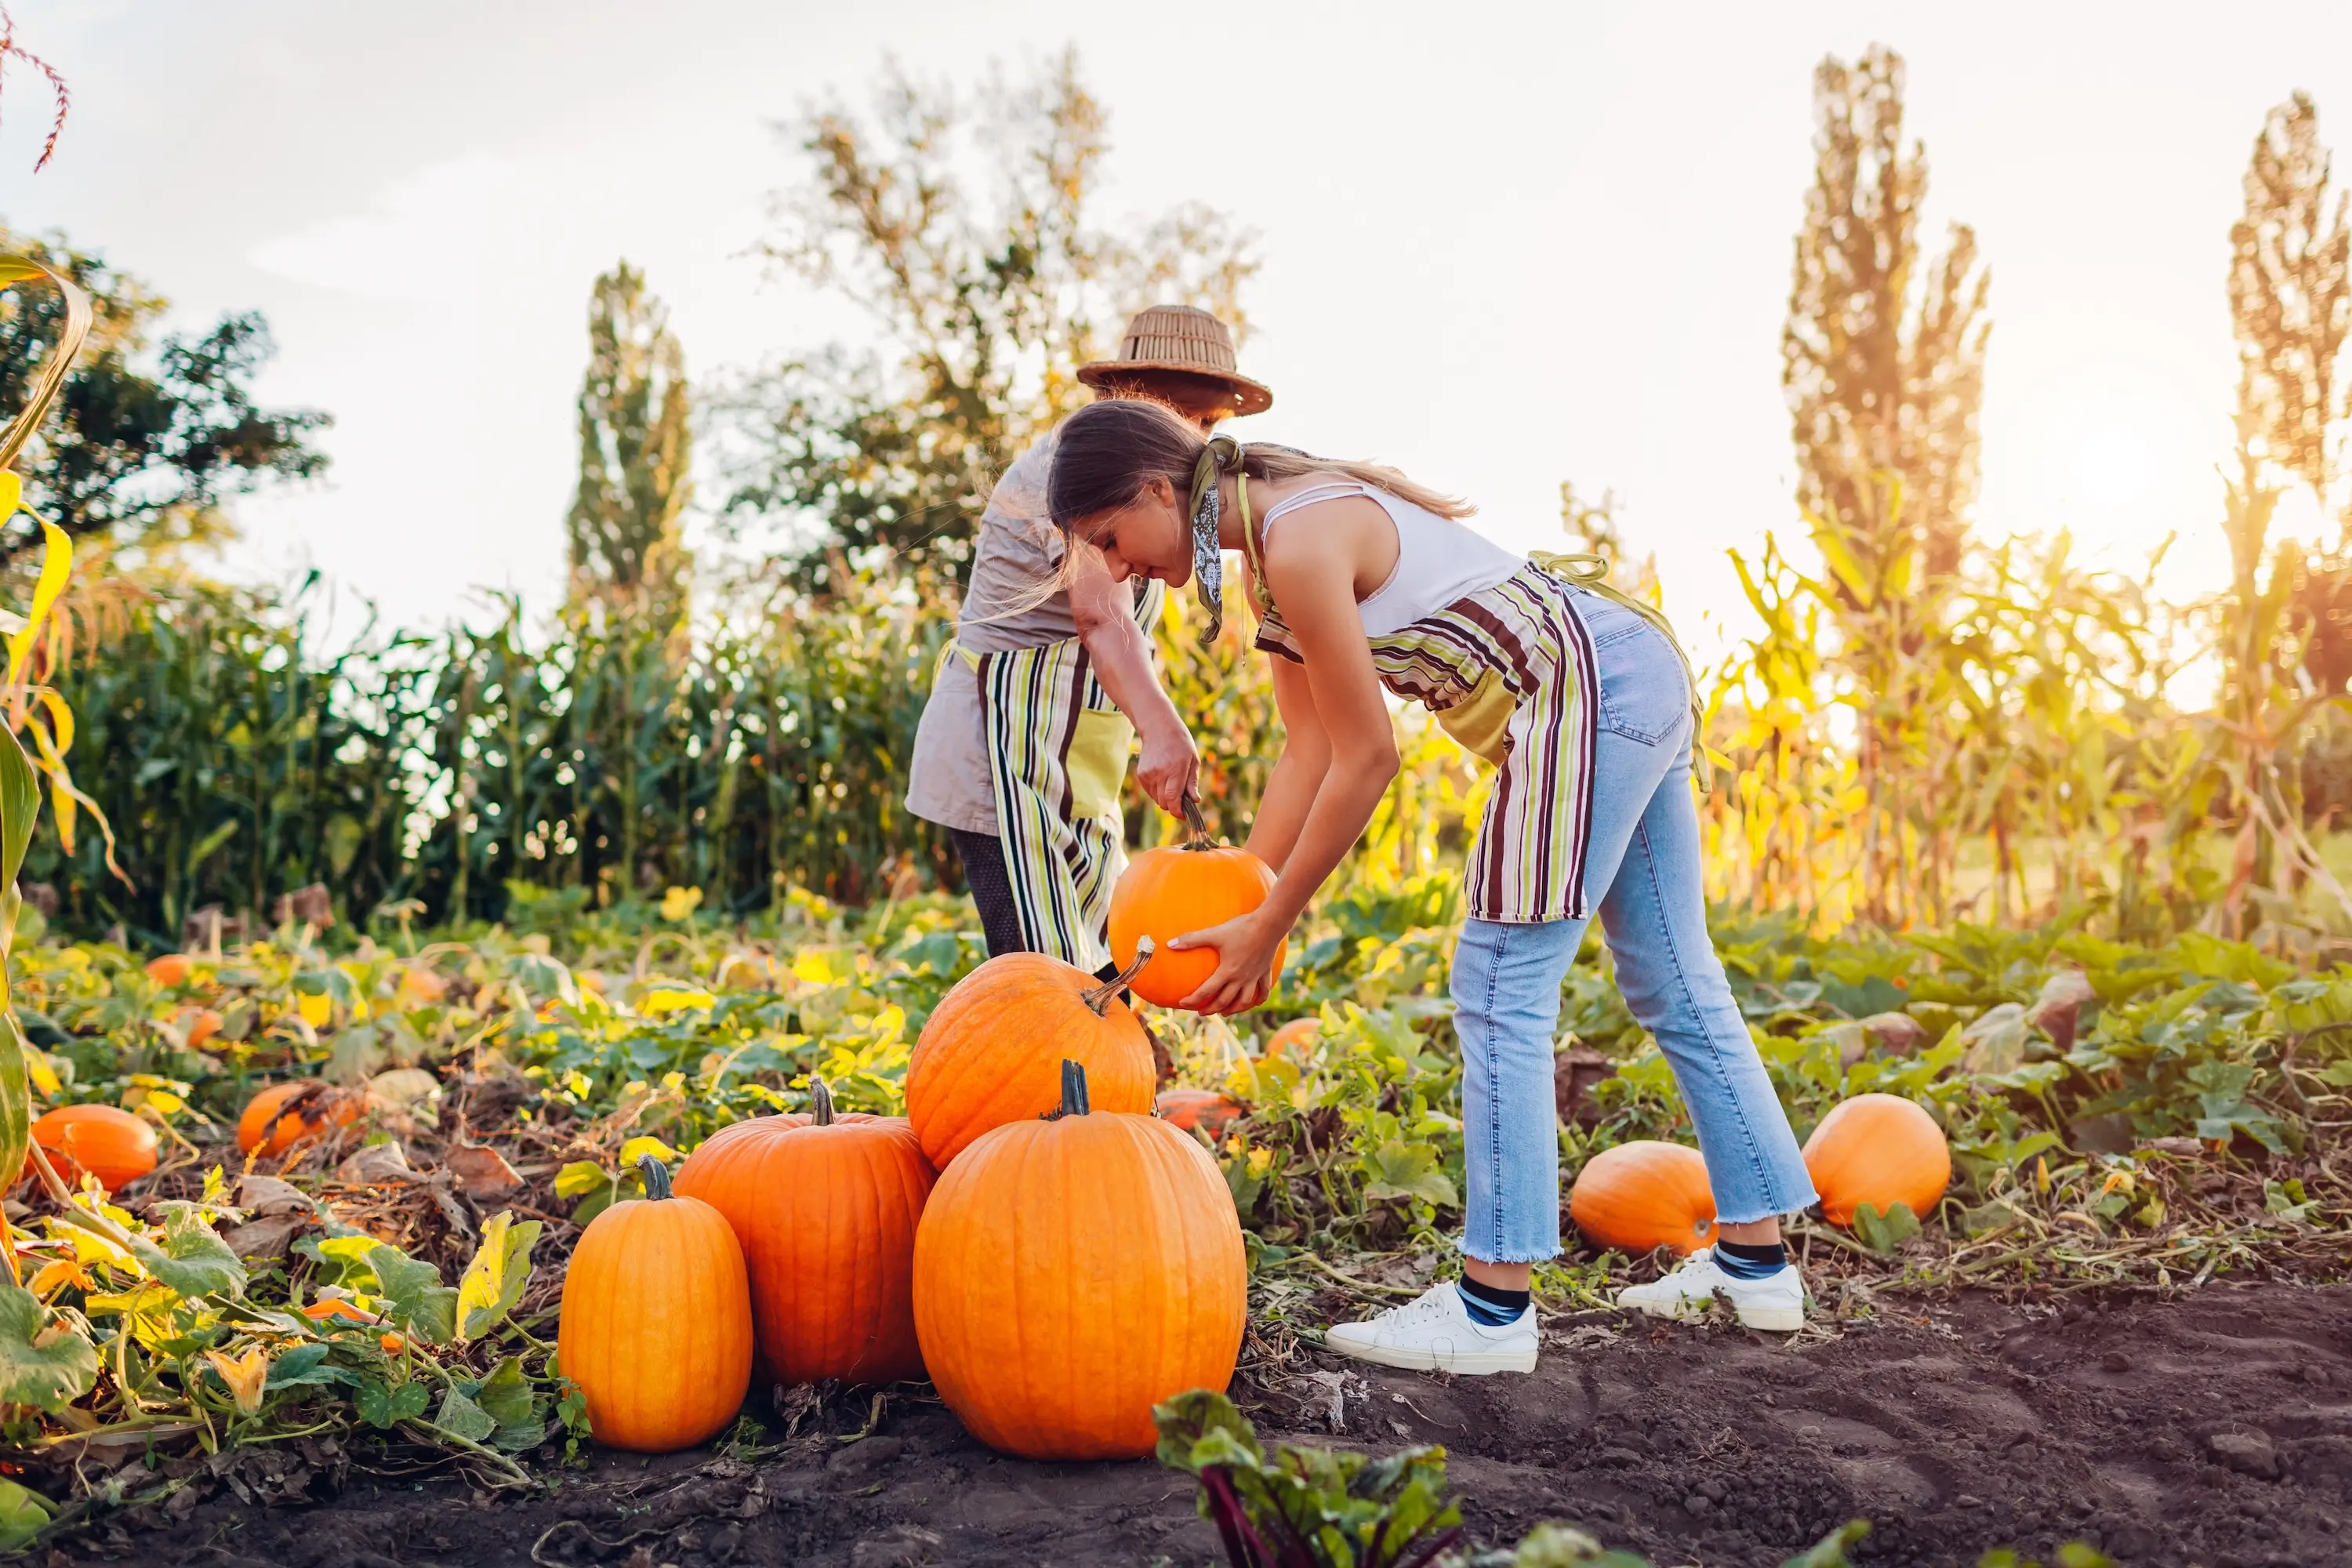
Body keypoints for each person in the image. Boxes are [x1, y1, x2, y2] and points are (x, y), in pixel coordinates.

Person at [1043, 400, 1820, 1373]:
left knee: (1499, 985)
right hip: (1626, 666)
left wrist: (1271, 921)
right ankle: (1756, 1263)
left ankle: (1491, 1314)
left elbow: (1369, 761)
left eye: (1112, 539)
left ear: (1158, 489)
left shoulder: (1298, 538)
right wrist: (1240, 906)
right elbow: (1309, 750)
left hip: (1583, 690)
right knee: (1673, 978)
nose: (1116, 568)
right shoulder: (1271, 566)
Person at [906, 306, 1273, 978]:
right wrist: (1164, 730)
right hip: (1001, 755)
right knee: (1041, 980)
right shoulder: (1078, 470)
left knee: (1107, 967)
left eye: (1210, 424)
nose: (1195, 438)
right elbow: (1101, 618)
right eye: (1184, 414)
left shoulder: (1151, 490)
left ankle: (1122, 1087)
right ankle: (1035, 1087)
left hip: (1075, 766)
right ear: (1134, 398)